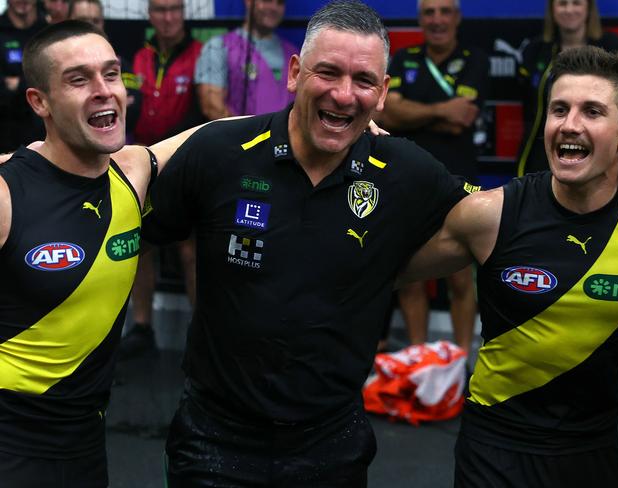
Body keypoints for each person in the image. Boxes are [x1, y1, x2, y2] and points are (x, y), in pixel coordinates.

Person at [141, 1, 475, 485]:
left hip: (332, 444)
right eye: (328, 73)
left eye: (363, 81)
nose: (343, 95)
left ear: (382, 93)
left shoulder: (405, 170)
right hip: (213, 441)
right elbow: (124, 234)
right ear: (296, 72)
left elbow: (499, 216)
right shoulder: (222, 152)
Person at [400, 46, 618, 487]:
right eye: (559, 109)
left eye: (592, 111)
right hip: (496, 450)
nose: (569, 125)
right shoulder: (490, 215)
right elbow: (377, 270)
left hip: (594, 451)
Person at [0, 20, 195, 487]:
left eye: (111, 74)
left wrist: (302, 119)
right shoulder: (7, 193)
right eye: (78, 79)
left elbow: (215, 136)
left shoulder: (132, 170)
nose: (104, 91)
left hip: (86, 443)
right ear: (39, 102)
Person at [378, 0, 487, 351]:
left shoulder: (476, 60)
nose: (437, 20)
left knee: (459, 280)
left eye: (444, 11)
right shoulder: (405, 58)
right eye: (429, 12)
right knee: (410, 280)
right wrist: (442, 110)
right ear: (420, 18)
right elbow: (389, 116)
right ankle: (418, 365)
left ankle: (458, 368)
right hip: (408, 181)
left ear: (456, 17)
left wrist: (413, 111)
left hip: (460, 183)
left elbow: (464, 117)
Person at [123, 0, 202, 358]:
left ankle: (202, 330)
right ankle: (141, 327)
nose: (167, 17)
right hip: (141, 163)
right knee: (139, 245)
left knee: (190, 250)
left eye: (174, 9)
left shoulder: (203, 54)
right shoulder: (137, 55)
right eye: (160, 9)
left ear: (183, 12)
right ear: (150, 14)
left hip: (187, 165)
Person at [516, 0, 618, 176]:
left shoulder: (613, 47)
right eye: (562, 4)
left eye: (576, 3)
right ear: (552, 10)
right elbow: (528, 107)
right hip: (540, 154)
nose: (569, 10)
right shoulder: (535, 50)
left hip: (602, 154)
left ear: (589, 8)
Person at [194, 0, 298, 119]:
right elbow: (212, 107)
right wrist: (249, 134)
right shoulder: (218, 46)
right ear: (248, 2)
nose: (274, 7)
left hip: (287, 136)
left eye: (280, 3)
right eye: (267, 1)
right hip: (241, 136)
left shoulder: (293, 52)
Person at [68, 0, 142, 141]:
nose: (90, 27)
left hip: (119, 150)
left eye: (95, 21)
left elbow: (133, 109)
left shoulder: (120, 64)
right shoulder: (56, 66)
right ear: (68, 22)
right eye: (82, 21)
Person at [0, 0, 47, 152]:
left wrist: (18, 84)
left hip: (43, 132)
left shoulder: (47, 31)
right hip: (6, 133)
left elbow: (53, 79)